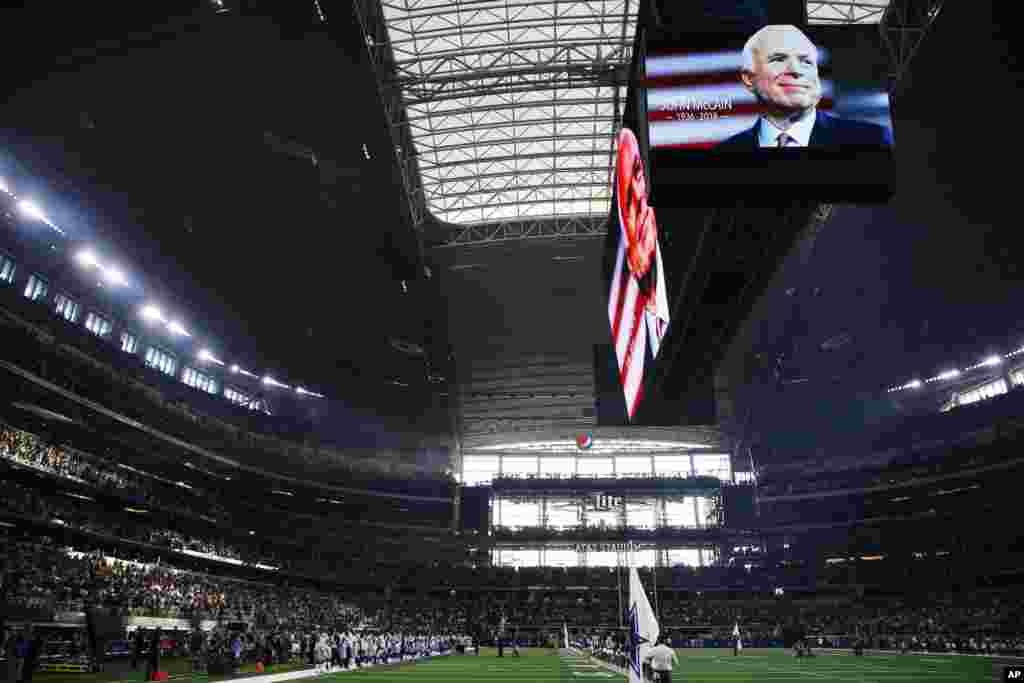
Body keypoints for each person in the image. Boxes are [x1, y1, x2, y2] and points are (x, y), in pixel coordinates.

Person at [716, 24, 893, 150]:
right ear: (749, 78)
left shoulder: (872, 141)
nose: (796, 71)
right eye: (778, 59)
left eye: (806, 61)